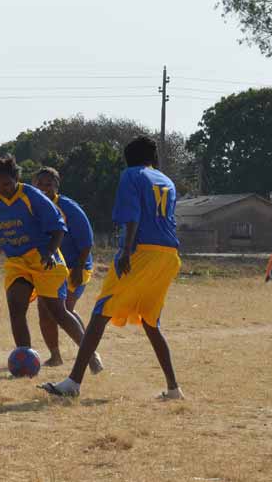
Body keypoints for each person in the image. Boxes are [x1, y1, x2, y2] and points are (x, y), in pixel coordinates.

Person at [39, 136, 183, 400]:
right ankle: (174, 389)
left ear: (129, 159)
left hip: (142, 251)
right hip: (169, 255)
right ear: (153, 158)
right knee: (151, 321)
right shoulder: (167, 181)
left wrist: (126, 250)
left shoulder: (131, 174)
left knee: (100, 313)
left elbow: (132, 216)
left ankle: (73, 383)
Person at [0, 156, 102, 371]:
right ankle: (25, 362)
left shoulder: (32, 196)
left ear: (16, 179)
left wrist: (50, 252)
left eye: (6, 184)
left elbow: (59, 227)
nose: (2, 189)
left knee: (58, 312)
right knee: (16, 308)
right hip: (17, 262)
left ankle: (89, 356)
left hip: (44, 260)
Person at [32, 167, 95, 368]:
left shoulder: (68, 207)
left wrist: (78, 268)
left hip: (76, 266)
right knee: (45, 311)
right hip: (50, 267)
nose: (43, 188)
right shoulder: (32, 207)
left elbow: (87, 240)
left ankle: (89, 354)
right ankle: (55, 356)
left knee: (64, 309)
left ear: (56, 187)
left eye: (48, 184)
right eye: (39, 184)